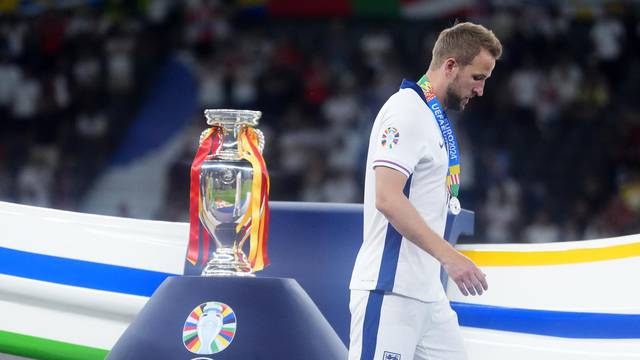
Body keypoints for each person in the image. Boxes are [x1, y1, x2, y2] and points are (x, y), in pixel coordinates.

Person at [349, 22, 502, 360]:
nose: (481, 90)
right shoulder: (405, 111)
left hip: (427, 294)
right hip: (390, 289)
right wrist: (450, 257)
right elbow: (387, 198)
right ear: (450, 66)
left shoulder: (431, 118)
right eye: (478, 77)